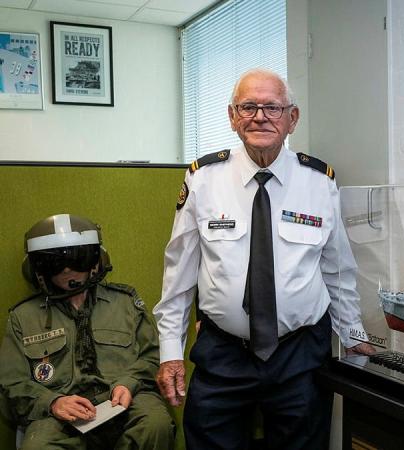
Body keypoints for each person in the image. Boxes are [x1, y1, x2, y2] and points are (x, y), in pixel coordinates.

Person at [154, 68, 374, 450]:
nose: (260, 116)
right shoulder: (203, 179)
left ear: (292, 118)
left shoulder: (319, 181)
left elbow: (338, 271)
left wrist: (353, 335)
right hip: (223, 353)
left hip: (300, 355)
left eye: (272, 107)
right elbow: (179, 273)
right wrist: (170, 353)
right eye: (248, 106)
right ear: (232, 116)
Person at [0, 214, 175, 450]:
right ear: (39, 268)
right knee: (37, 446)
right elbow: (12, 382)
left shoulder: (125, 303)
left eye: (78, 259)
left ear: (95, 261)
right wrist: (52, 402)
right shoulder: (23, 317)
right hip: (60, 413)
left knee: (156, 424)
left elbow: (153, 356)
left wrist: (129, 382)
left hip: (123, 400)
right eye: (55, 262)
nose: (67, 269)